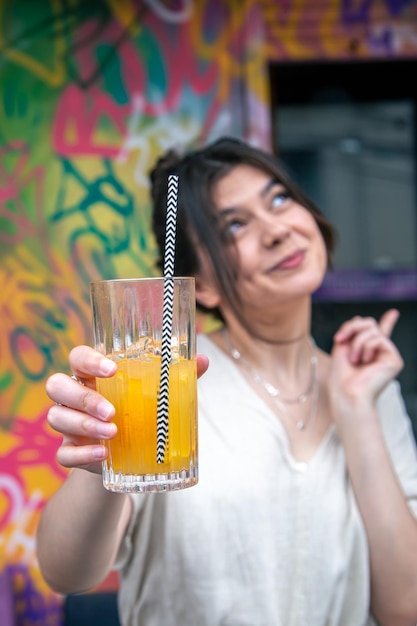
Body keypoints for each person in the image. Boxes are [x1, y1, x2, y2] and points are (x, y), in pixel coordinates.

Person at [36, 137, 417, 626]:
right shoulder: (166, 380)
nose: (277, 229)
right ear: (204, 286)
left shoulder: (366, 385)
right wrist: (99, 464)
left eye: (279, 199)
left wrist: (358, 411)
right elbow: (66, 573)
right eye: (235, 225)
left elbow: (405, 609)